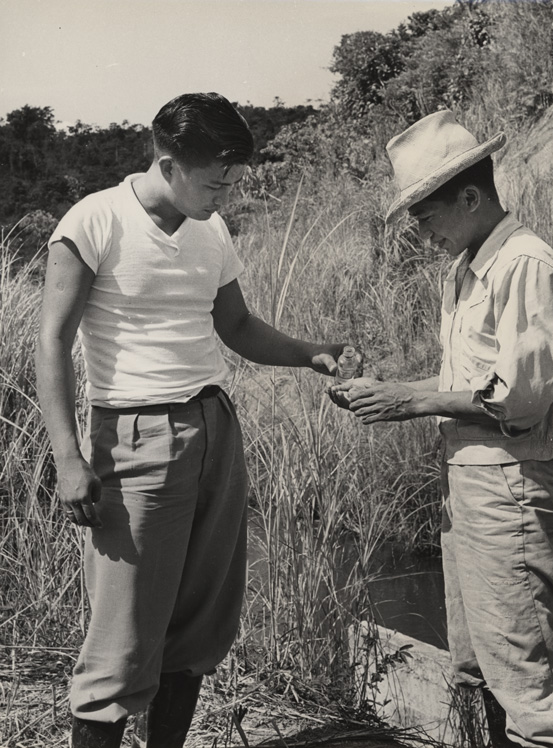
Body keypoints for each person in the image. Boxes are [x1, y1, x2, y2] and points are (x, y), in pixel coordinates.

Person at [35, 92, 347, 748]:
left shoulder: (211, 228)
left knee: (199, 630)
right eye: (215, 181)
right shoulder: (94, 222)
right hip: (132, 440)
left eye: (233, 183)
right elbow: (52, 342)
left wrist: (310, 352)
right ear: (169, 163)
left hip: (213, 430)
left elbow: (234, 324)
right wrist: (68, 457)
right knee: (121, 645)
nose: (225, 195)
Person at [331, 110, 553, 748]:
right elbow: (469, 378)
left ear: (472, 196)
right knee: (474, 666)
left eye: (426, 217)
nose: (422, 233)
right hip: (470, 485)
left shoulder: (523, 264)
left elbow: (520, 399)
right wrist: (388, 393)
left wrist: (411, 404)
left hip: (509, 486)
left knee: (533, 689)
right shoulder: (467, 267)